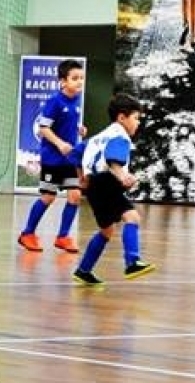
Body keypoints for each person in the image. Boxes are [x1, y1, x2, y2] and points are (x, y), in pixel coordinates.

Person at [71, 93, 157, 286]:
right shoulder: (120, 136)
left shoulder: (96, 138)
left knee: (106, 231)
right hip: (107, 182)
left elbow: (76, 154)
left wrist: (81, 178)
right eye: (136, 118)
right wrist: (122, 176)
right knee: (132, 217)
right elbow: (112, 159)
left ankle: (83, 270)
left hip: (93, 187)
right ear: (121, 118)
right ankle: (132, 262)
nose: (138, 123)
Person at [17, 59, 87, 253]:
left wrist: (79, 130)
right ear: (63, 82)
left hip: (68, 159)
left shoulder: (77, 101)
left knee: (75, 195)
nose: (79, 81)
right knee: (48, 197)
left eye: (81, 78)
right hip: (52, 158)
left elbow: (66, 124)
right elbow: (43, 128)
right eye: (75, 78)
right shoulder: (54, 101)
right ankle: (27, 233)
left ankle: (63, 237)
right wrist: (59, 144)